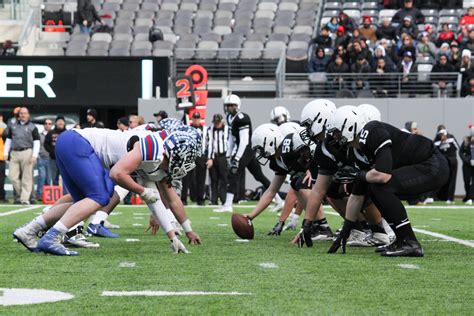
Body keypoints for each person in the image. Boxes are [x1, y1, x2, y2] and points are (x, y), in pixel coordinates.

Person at [14, 128, 202, 255]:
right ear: (179, 152)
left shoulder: (158, 160)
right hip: (78, 143)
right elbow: (117, 173)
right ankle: (52, 237)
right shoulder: (153, 146)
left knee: (82, 202)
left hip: (70, 142)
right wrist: (141, 190)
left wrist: (172, 236)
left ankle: (28, 231)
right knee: (101, 196)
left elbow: (160, 200)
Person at [327, 106, 449, 257]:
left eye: (337, 132)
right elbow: (356, 195)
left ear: (350, 126)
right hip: (421, 166)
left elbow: (383, 175)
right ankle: (402, 239)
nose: (335, 138)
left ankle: (409, 241)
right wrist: (346, 231)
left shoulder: (372, 130)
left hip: (432, 163)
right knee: (373, 187)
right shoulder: (355, 152)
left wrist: (359, 175)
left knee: (380, 187)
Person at [214, 94, 282, 213]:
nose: (229, 108)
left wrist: (237, 158)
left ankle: (228, 204)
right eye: (228, 105)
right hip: (245, 149)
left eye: (232, 105)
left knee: (233, 174)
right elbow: (231, 138)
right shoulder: (231, 118)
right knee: (259, 176)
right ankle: (279, 200)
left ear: (237, 106)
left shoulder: (242, 118)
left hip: (247, 149)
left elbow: (244, 141)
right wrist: (229, 154)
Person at [3, 107, 40, 205]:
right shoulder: (13, 126)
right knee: (12, 177)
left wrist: (34, 155)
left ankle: (24, 199)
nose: (23, 115)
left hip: (27, 152)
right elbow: (8, 141)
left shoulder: (33, 127)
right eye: (21, 113)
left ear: (28, 115)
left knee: (27, 177)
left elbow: (37, 142)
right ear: (19, 115)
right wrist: (6, 153)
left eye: (25, 113)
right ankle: (21, 194)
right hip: (14, 153)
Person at [181, 112, 207, 205]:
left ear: (200, 119)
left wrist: (208, 157)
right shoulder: (187, 129)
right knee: (186, 177)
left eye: (197, 118)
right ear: (192, 119)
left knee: (201, 178)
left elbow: (209, 143)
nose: (196, 120)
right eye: (194, 118)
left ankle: (200, 199)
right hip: (189, 155)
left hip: (201, 155)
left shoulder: (205, 129)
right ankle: (183, 198)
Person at [207, 114, 229, 205]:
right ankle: (214, 200)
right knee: (213, 179)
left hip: (223, 156)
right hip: (213, 157)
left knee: (224, 179)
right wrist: (210, 158)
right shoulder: (210, 130)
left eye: (218, 122)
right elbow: (209, 145)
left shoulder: (228, 129)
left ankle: (224, 200)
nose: (217, 125)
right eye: (215, 123)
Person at [434, 128, 458, 203]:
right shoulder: (437, 143)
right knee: (441, 178)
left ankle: (450, 198)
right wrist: (441, 142)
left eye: (443, 135)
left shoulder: (451, 140)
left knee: (452, 179)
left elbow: (457, 148)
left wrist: (447, 141)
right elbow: (435, 150)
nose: (442, 136)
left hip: (452, 161)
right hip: (444, 162)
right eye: (440, 135)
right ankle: (432, 196)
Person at [45, 116, 67, 186]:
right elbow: (45, 144)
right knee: (54, 178)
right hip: (53, 159)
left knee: (66, 178)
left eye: (62, 121)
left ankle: (65, 195)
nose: (60, 122)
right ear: (56, 123)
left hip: (65, 159)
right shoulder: (51, 133)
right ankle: (56, 195)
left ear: (64, 123)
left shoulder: (68, 133)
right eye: (59, 121)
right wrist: (52, 152)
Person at [36, 119, 53, 199]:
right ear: (44, 125)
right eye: (46, 123)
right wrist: (38, 156)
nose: (47, 125)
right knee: (42, 177)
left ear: (51, 125)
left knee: (48, 178)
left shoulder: (53, 135)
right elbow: (37, 146)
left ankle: (47, 196)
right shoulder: (40, 135)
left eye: (49, 123)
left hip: (50, 159)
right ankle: (39, 195)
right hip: (41, 158)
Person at [459, 126, 474, 204]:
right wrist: (466, 160)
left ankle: (471, 197)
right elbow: (461, 152)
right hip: (467, 165)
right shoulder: (466, 141)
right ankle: (468, 196)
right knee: (467, 181)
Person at [0, 114, 7, 202]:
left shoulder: (3, 127)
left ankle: (1, 195)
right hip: (1, 156)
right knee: (1, 178)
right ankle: (2, 196)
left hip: (1, 156)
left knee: (1, 178)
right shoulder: (3, 127)